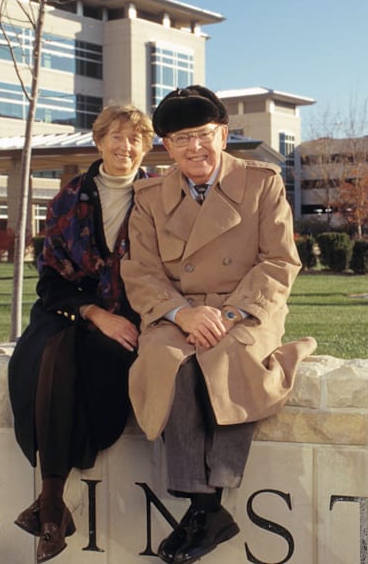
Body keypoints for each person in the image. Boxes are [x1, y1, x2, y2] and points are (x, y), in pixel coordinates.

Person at [121, 85, 317, 564]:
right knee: (169, 359)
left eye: (204, 135)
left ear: (223, 134)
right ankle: (206, 507)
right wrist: (182, 313)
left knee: (225, 357)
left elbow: (278, 262)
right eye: (182, 138)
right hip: (178, 310)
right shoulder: (147, 196)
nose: (195, 148)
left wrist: (228, 314)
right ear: (166, 146)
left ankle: (205, 509)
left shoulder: (261, 181)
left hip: (247, 308)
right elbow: (141, 272)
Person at [6, 103, 154, 562]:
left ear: (145, 147)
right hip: (70, 306)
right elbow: (50, 277)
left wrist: (119, 316)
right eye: (116, 136)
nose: (124, 147)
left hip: (137, 310)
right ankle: (52, 500)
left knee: (87, 357)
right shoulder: (68, 198)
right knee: (52, 350)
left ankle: (50, 504)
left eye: (135, 139)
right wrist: (92, 311)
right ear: (99, 140)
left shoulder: (160, 197)